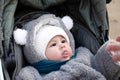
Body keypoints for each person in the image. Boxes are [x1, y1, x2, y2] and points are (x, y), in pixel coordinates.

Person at [14, 14, 120, 80]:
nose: (62, 45)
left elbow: (100, 65)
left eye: (64, 41)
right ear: (39, 54)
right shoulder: (33, 74)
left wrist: (111, 55)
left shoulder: (82, 55)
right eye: (53, 44)